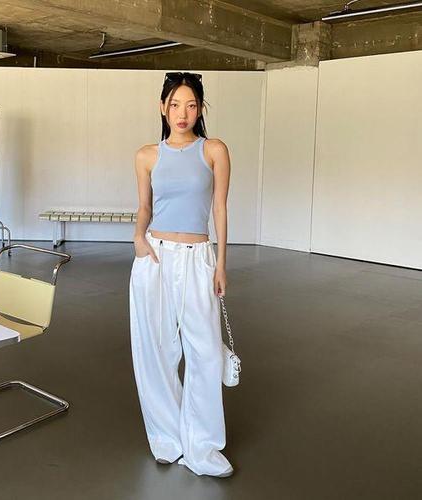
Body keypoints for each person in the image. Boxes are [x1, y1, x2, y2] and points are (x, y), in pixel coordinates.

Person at [128, 72, 233, 478]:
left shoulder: (214, 150)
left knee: (205, 351)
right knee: (155, 350)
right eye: (174, 105)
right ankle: (167, 438)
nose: (182, 113)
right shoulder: (147, 155)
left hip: (197, 257)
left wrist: (221, 263)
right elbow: (144, 207)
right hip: (155, 257)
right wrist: (138, 238)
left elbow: (220, 208)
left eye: (191, 105)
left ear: (201, 108)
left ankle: (202, 446)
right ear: (163, 108)